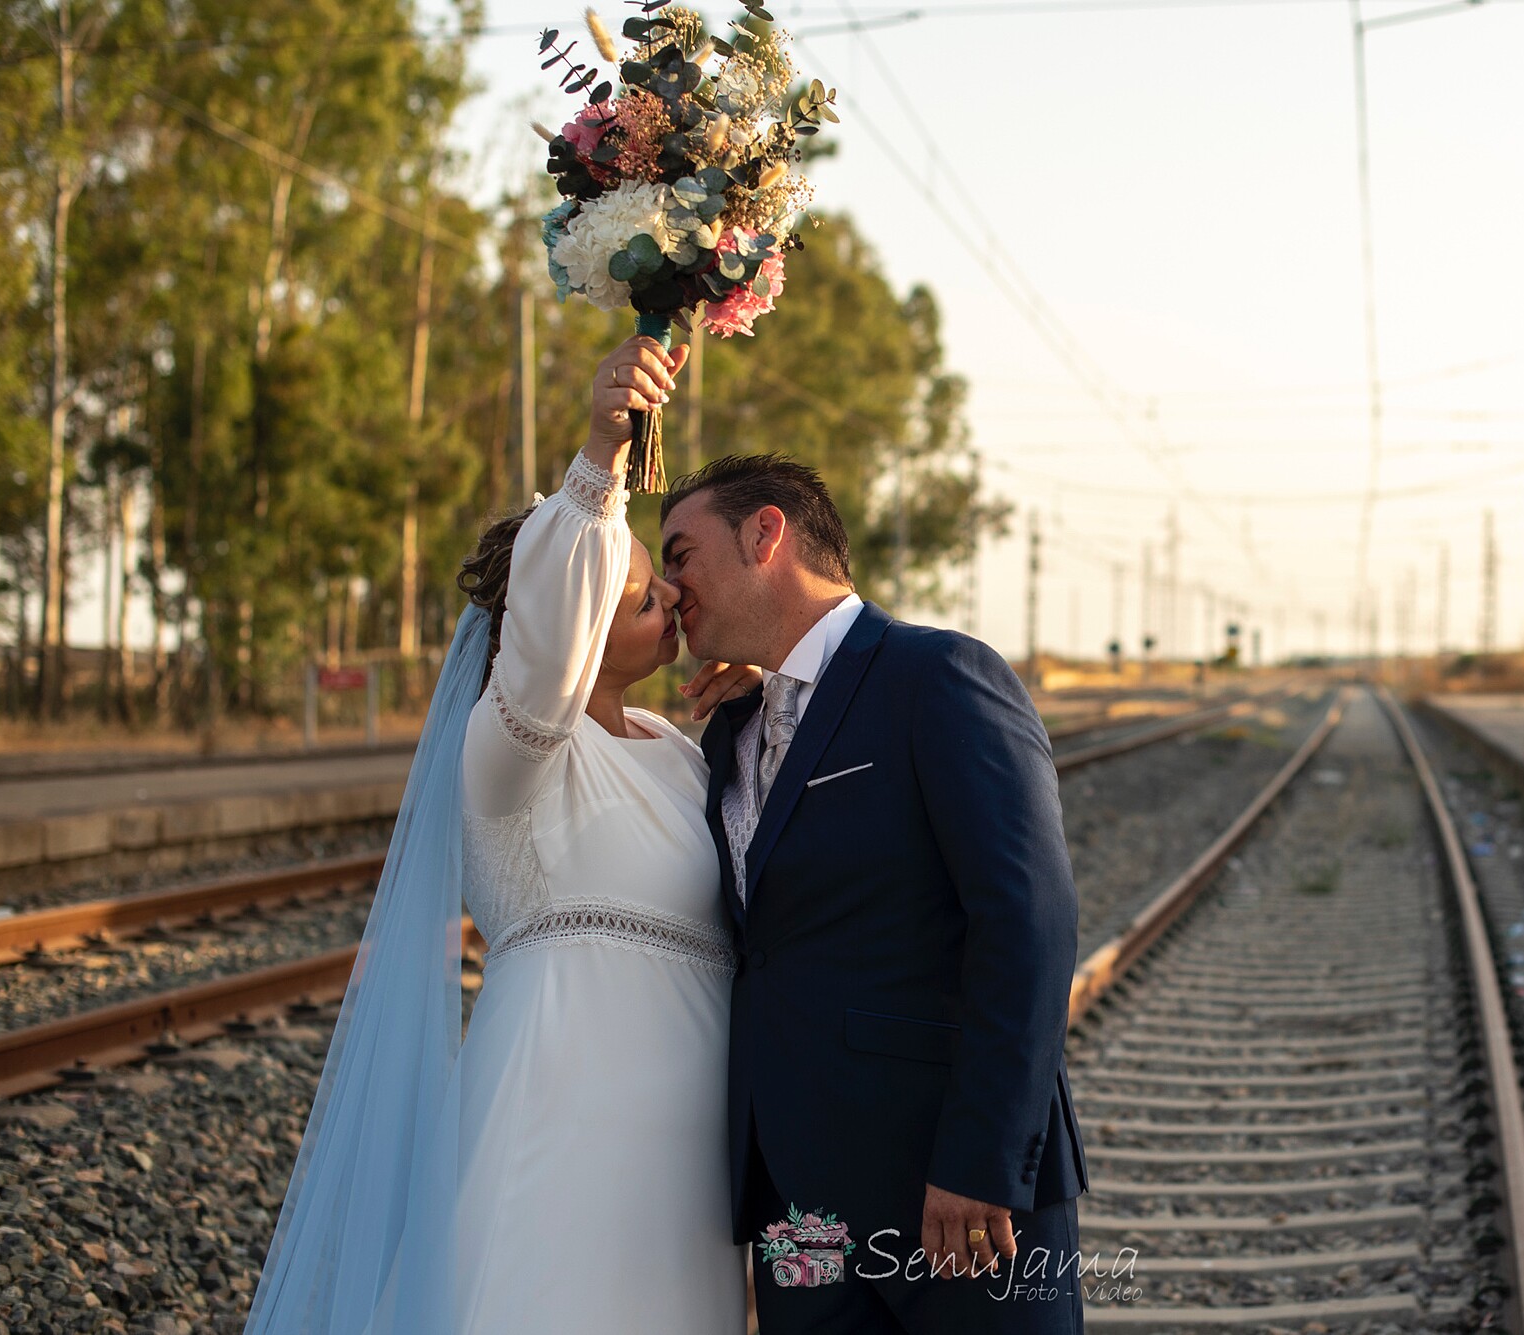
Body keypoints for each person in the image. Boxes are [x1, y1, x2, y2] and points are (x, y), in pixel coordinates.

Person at [244, 336, 758, 1333]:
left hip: (691, 1154)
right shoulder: (511, 747)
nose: (669, 602)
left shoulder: (677, 747)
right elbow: (546, 649)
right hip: (562, 1119)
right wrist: (600, 463)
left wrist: (769, 707)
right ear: (562, 618)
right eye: (637, 591)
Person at [661, 454, 1089, 1334]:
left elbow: (1029, 925)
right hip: (795, 1211)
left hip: (950, 1193)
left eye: (680, 554)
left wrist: (982, 1161)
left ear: (764, 533)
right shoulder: (731, 731)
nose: (671, 588)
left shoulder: (939, 677)